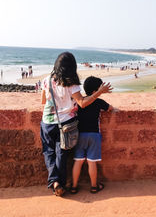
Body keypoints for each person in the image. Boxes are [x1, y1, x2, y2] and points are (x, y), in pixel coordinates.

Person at [40, 52, 112, 197]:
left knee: (48, 152)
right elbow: (82, 103)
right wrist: (100, 92)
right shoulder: (71, 83)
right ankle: (60, 183)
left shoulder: (46, 80)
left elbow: (43, 101)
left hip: (47, 121)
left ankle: (55, 182)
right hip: (65, 123)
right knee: (61, 154)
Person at [71, 76, 113, 194]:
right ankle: (94, 186)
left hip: (80, 135)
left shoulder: (79, 102)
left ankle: (74, 186)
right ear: (95, 92)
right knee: (91, 162)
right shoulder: (99, 102)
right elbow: (110, 108)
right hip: (94, 135)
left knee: (78, 161)